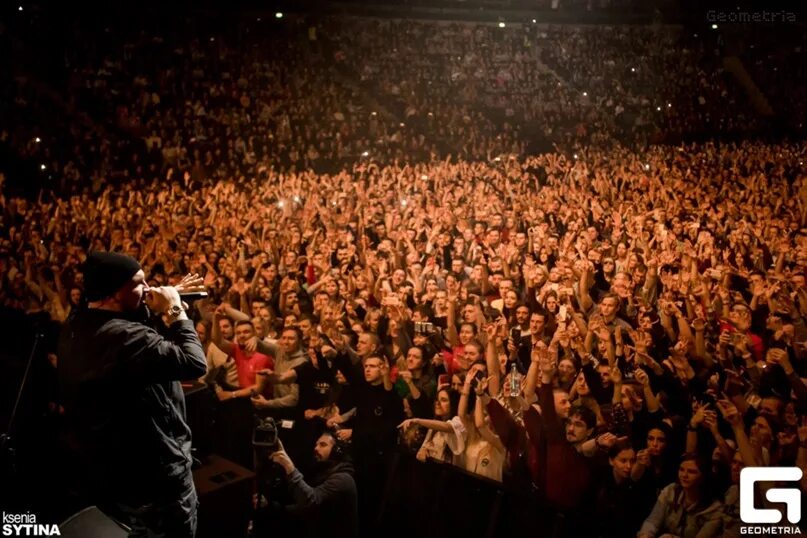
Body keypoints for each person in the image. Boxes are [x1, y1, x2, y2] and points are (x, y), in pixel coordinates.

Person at [57, 251, 206, 537]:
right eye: (140, 283)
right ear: (115, 292)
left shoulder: (79, 324)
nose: (149, 288)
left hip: (117, 474)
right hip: (158, 482)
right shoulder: (125, 339)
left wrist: (171, 294)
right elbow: (194, 363)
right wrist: (176, 311)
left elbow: (134, 330)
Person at [265, 433, 358, 538]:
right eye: (316, 445)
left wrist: (289, 466)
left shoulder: (343, 479)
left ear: (337, 451)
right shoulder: (324, 474)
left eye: (322, 445)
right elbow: (305, 508)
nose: (316, 448)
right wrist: (273, 507)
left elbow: (310, 502)